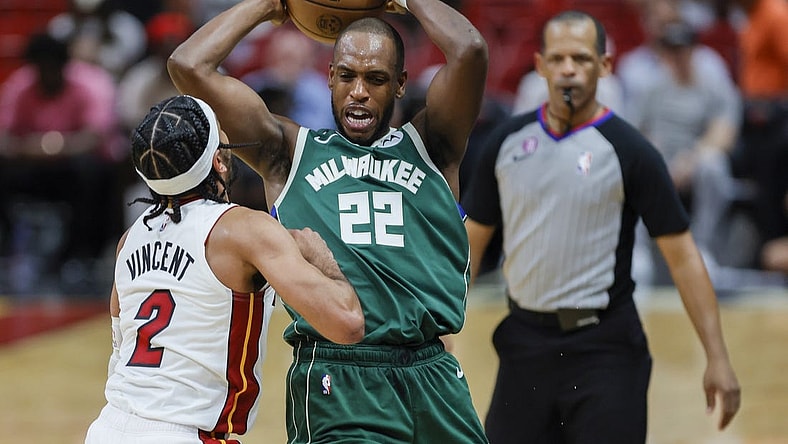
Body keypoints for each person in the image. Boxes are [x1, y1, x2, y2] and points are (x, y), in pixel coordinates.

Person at [167, 0, 489, 442]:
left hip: (433, 373)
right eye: (347, 76)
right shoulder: (287, 152)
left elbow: (470, 50)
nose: (359, 91)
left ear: (400, 84)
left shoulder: (433, 145)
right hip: (339, 376)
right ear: (330, 77)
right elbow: (188, 65)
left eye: (376, 79)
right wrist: (268, 6)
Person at [461, 11, 740, 444]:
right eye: (558, 59)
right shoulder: (505, 143)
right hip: (524, 345)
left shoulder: (632, 151)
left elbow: (684, 258)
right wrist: (443, 332)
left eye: (581, 58)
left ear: (605, 65)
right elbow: (470, 246)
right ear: (540, 66)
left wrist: (717, 356)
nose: (568, 69)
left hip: (605, 348)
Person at [84, 95, 364, 444]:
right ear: (218, 160)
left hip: (108, 427)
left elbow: (120, 348)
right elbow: (348, 324)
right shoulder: (244, 230)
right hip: (184, 434)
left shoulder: (129, 240)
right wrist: (321, 259)